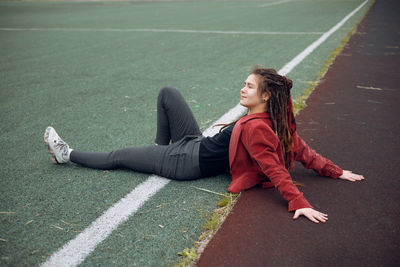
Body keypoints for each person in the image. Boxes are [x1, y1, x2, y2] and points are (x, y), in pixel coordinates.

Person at [44, 67, 364, 223]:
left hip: (185, 162)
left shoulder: (258, 130)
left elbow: (275, 169)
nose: (243, 89)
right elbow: (305, 153)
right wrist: (335, 171)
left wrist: (299, 202)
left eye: (249, 86)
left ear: (265, 96)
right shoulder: (274, 121)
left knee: (118, 157)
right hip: (194, 143)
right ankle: (157, 151)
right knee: (168, 92)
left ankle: (66, 154)